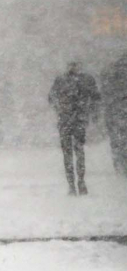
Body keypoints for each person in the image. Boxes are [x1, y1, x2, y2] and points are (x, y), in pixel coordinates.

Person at [48, 61, 101, 195]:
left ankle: (72, 184)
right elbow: (96, 97)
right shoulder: (86, 79)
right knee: (78, 151)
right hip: (78, 120)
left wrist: (60, 108)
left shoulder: (61, 80)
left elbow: (51, 98)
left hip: (66, 120)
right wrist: (91, 112)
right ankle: (79, 182)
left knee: (69, 153)